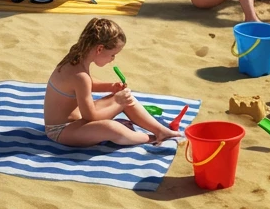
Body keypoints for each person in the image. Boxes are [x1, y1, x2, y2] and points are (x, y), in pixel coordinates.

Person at [43, 18, 183, 147]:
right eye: (112, 54)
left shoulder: (76, 56)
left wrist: (110, 87)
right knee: (112, 128)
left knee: (126, 98)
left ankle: (160, 130)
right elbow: (90, 117)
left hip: (77, 119)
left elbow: (82, 85)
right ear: (99, 49)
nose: (112, 59)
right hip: (61, 130)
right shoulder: (80, 77)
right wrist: (117, 101)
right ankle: (150, 138)